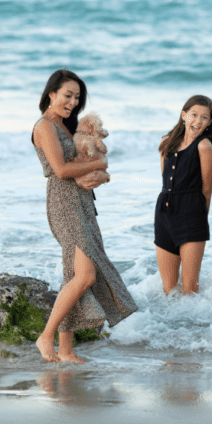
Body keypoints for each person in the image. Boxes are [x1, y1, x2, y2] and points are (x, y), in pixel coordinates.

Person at [31, 69, 137, 363]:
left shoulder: (66, 127)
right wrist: (101, 161)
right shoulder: (44, 127)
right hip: (63, 204)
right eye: (67, 95)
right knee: (86, 275)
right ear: (51, 94)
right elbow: (62, 170)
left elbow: (80, 162)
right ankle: (45, 337)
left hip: (83, 203)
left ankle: (65, 350)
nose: (73, 102)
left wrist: (99, 173)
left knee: (72, 273)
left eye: (77, 98)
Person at [154, 95, 212, 295]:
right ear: (184, 115)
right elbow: (165, 181)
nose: (198, 121)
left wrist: (200, 218)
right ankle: (172, 327)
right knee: (169, 289)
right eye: (194, 115)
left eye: (204, 117)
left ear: (209, 122)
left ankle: (194, 326)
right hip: (164, 214)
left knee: (190, 288)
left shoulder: (204, 147)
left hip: (192, 216)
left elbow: (207, 189)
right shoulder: (166, 143)